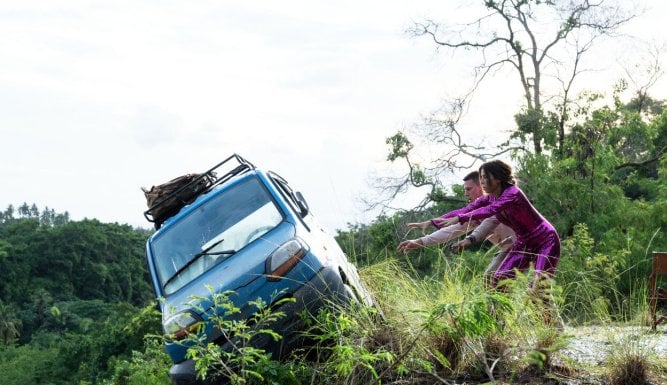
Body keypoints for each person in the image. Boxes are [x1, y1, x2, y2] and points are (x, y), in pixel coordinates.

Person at [436, 160, 561, 287]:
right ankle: (498, 307)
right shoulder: (490, 198)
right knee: (498, 281)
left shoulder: (513, 193)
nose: (482, 181)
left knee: (538, 288)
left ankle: (542, 302)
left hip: (546, 240)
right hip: (524, 244)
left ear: (497, 178)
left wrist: (459, 219)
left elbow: (490, 210)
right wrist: (432, 222)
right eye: (481, 177)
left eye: (485, 177)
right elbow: (465, 209)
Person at [397, 172, 516, 286]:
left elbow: (488, 222)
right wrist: (419, 241)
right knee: (489, 280)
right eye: (465, 189)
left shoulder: (497, 203)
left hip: (526, 244)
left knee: (526, 283)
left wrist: (470, 239)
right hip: (509, 250)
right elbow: (450, 230)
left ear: (482, 186)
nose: (465, 193)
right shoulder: (473, 215)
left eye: (469, 189)